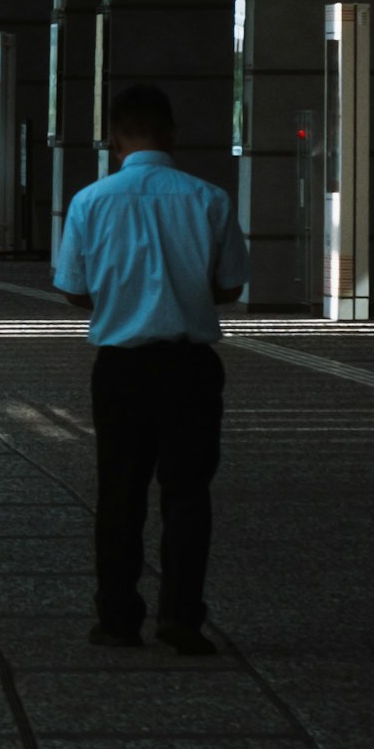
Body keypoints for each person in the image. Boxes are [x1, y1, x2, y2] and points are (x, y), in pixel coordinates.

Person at [51, 80, 246, 654]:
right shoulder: (209, 198)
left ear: (114, 139)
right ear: (172, 134)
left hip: (121, 368)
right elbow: (230, 286)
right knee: (187, 494)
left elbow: (73, 289)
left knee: (119, 493)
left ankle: (117, 618)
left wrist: (119, 299)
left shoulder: (90, 201)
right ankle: (182, 618)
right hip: (191, 367)